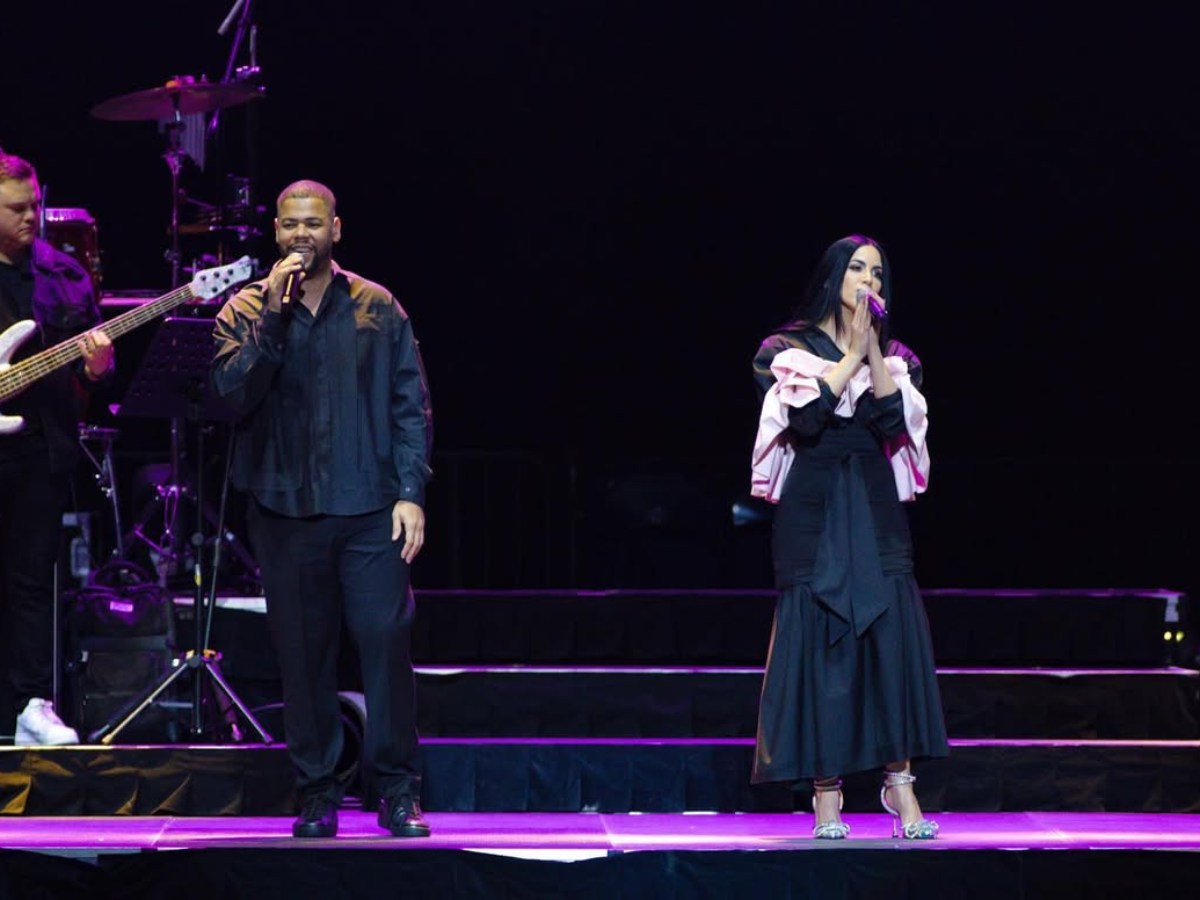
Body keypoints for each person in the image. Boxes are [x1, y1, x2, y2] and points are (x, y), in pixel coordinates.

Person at [211, 179, 433, 839]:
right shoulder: (245, 309)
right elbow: (231, 396)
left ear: (336, 228)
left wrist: (411, 493)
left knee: (384, 644)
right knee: (302, 657)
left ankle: (396, 790)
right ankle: (317, 793)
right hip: (284, 511)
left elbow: (410, 406)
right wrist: (273, 319)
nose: (301, 235)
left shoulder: (378, 307)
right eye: (289, 225)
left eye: (313, 223)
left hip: (370, 508)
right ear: (274, 233)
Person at [748, 234, 947, 839]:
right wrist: (851, 353)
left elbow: (892, 422)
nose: (869, 281)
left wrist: (873, 353)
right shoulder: (784, 350)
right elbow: (807, 420)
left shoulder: (900, 357)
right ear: (835, 276)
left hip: (872, 503)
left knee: (890, 635)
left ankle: (900, 789)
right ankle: (826, 793)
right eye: (858, 269)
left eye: (878, 274)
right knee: (820, 641)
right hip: (814, 509)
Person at [0, 151, 114, 745]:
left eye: (36, 204)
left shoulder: (64, 274)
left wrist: (96, 368)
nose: (33, 217)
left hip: (40, 447)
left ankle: (29, 706)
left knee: (30, 583)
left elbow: (91, 373)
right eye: (17, 208)